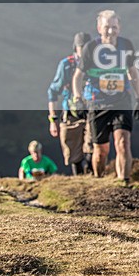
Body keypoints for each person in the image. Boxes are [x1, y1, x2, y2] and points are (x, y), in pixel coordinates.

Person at [71, 10, 139, 186]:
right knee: (101, 150)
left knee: (123, 143)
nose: (111, 31)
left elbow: (133, 72)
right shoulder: (91, 48)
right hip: (97, 103)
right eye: (106, 27)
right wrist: (78, 99)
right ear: (99, 28)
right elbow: (78, 77)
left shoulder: (126, 45)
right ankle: (99, 181)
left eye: (114, 27)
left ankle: (124, 183)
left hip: (121, 101)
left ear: (119, 28)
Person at [47, 32, 93, 175]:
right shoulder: (66, 65)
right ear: (75, 48)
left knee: (93, 147)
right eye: (81, 47)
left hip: (93, 111)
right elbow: (53, 92)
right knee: (72, 152)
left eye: (87, 47)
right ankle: (78, 179)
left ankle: (92, 175)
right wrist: (53, 119)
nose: (84, 50)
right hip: (71, 113)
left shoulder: (98, 64)